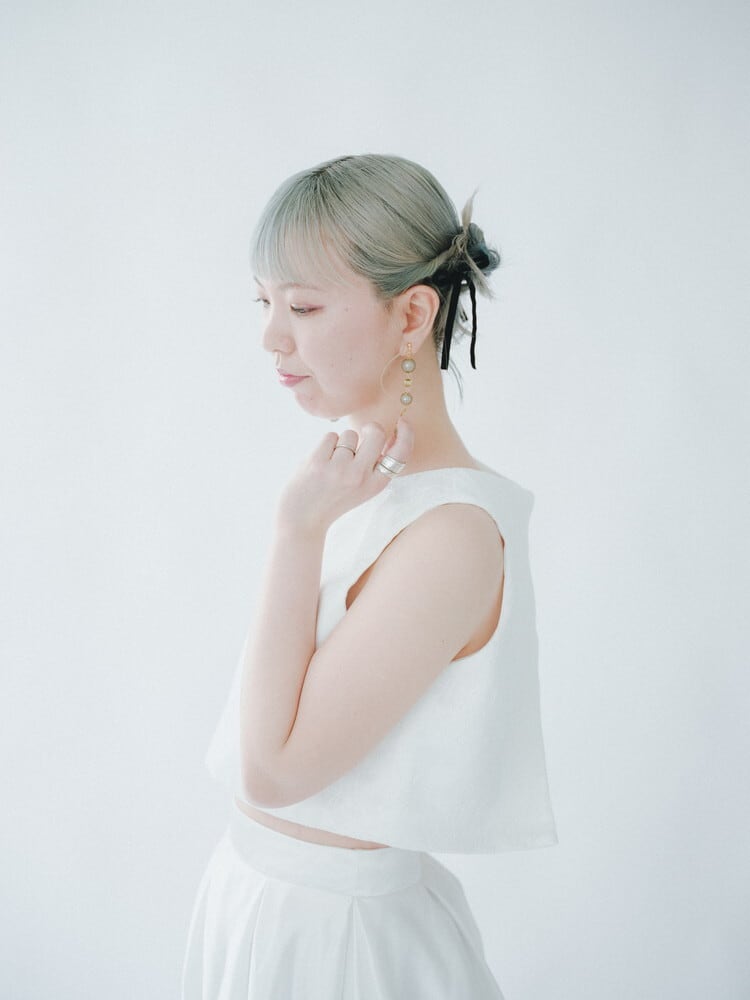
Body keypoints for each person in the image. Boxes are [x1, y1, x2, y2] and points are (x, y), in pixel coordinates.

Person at [181, 153, 557, 999]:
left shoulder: (452, 533)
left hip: (341, 944)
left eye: (305, 306)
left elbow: (275, 771)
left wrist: (296, 532)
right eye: (264, 302)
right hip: (261, 901)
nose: (272, 337)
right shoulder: (357, 487)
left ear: (412, 313)